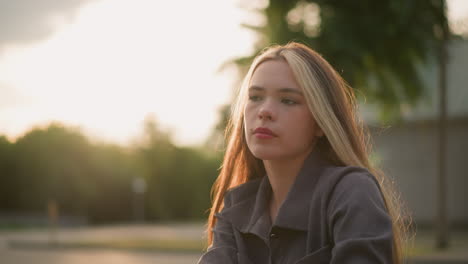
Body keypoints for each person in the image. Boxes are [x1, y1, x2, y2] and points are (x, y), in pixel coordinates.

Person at [198, 42, 406, 264]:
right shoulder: (236, 205)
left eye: (288, 100)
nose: (264, 111)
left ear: (320, 122)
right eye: (255, 97)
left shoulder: (352, 191)